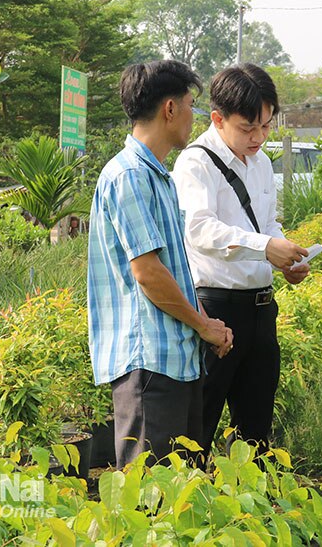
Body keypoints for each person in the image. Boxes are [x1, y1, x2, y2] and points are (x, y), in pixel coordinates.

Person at [87, 59, 234, 468]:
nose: (194, 116)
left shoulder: (157, 177)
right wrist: (203, 325)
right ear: (170, 109)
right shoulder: (129, 176)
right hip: (149, 364)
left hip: (174, 359)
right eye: (191, 105)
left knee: (181, 500)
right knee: (151, 508)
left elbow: (174, 270)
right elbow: (148, 274)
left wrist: (206, 323)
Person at [172, 63, 310, 459]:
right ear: (218, 118)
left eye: (266, 126)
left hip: (261, 310)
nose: (258, 137)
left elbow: (267, 222)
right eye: (248, 128)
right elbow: (199, 229)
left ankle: (249, 512)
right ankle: (191, 508)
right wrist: (265, 246)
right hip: (216, 309)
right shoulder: (196, 162)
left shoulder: (261, 162)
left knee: (255, 432)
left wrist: (286, 257)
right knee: (199, 425)